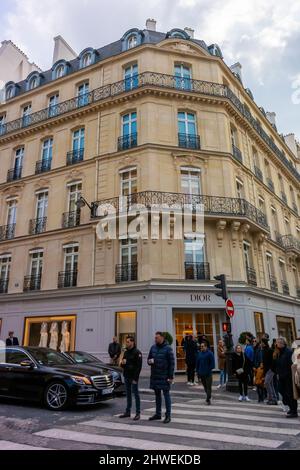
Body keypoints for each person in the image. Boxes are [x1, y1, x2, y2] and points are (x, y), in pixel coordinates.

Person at [148, 331, 175, 424]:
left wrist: (170, 376)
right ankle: (158, 414)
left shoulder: (168, 348)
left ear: (162, 338)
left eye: (157, 338)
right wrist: (150, 361)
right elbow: (149, 359)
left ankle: (168, 415)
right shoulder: (153, 347)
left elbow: (172, 363)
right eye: (155, 338)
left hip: (165, 376)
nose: (155, 339)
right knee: (157, 395)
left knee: (166, 395)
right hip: (155, 375)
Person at [119, 336, 142, 421]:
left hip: (133, 377)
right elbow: (122, 365)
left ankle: (138, 413)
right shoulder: (126, 352)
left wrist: (135, 379)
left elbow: (138, 367)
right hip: (126, 376)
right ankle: (127, 412)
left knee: (136, 395)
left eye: (128, 342)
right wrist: (122, 363)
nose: (126, 343)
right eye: (126, 342)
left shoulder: (137, 352)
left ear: (132, 342)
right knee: (128, 395)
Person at [275, 337, 298, 418]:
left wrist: (289, 375)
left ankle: (294, 411)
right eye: (276, 342)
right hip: (281, 376)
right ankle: (291, 407)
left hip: (288, 376)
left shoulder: (288, 352)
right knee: (281, 390)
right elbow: (278, 363)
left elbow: (292, 364)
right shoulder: (279, 352)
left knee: (290, 393)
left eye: (278, 342)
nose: (276, 344)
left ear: (282, 343)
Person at [262, 337, 277, 405]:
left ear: (264, 343)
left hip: (270, 369)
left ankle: (272, 399)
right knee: (270, 384)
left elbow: (273, 360)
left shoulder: (269, 350)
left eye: (261, 343)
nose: (260, 344)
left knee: (267, 383)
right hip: (267, 370)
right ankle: (274, 399)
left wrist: (271, 368)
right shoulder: (264, 350)